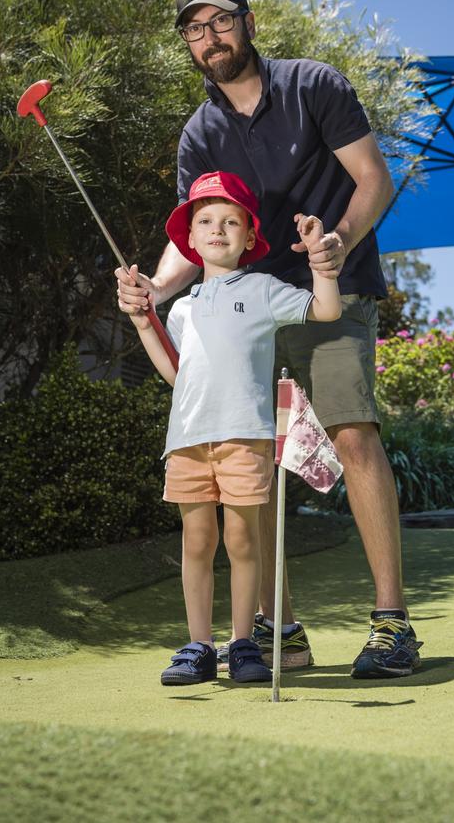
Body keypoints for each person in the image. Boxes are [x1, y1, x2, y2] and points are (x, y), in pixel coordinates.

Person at [117, 0, 422, 679]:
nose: (209, 37)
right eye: (194, 28)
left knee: (351, 433)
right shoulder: (200, 133)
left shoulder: (313, 85)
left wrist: (337, 243)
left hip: (328, 288)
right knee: (249, 461)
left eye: (219, 20)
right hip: (246, 308)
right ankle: (283, 631)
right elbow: (194, 237)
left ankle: (392, 624)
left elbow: (373, 178)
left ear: (247, 22)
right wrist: (153, 292)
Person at [126, 169, 341, 685]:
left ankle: (244, 643)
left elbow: (327, 309)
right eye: (205, 220)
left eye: (230, 221)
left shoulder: (264, 289)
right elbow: (178, 373)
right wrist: (141, 322)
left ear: (249, 237)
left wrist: (320, 264)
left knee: (244, 542)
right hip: (188, 439)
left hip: (246, 434)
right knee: (197, 542)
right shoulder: (181, 308)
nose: (217, 229)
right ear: (190, 237)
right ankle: (198, 646)